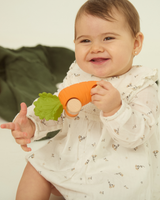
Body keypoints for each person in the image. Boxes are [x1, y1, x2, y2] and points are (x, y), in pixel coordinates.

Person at [1, 0, 160, 199]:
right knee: (36, 167)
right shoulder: (78, 74)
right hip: (72, 156)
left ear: (135, 43)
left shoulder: (142, 84)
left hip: (114, 167)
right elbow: (60, 108)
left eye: (108, 38)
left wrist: (116, 109)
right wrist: (32, 124)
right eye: (85, 41)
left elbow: (140, 133)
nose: (95, 48)